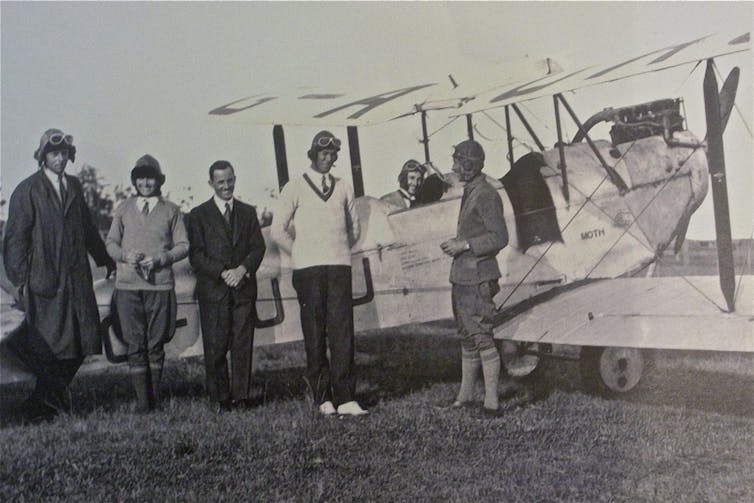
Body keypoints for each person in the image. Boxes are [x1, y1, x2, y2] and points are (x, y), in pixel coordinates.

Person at [2, 128, 115, 419]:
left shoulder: (75, 187)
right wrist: (20, 281)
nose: (60, 159)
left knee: (82, 342)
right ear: (43, 156)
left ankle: (43, 401)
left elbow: (88, 229)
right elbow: (15, 239)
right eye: (54, 153)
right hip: (44, 282)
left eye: (64, 153)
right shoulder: (27, 190)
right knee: (48, 345)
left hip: (77, 280)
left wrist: (104, 258)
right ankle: (53, 404)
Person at [271, 130, 368, 417]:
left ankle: (346, 397)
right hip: (307, 272)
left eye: (332, 155)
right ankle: (322, 397)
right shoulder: (294, 188)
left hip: (338, 268)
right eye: (323, 154)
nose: (327, 159)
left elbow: (354, 228)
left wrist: (337, 251)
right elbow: (278, 230)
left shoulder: (343, 187)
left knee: (342, 332)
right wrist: (301, 253)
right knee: (315, 333)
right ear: (313, 155)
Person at [106, 154, 189, 412]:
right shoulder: (123, 208)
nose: (145, 183)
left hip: (160, 286)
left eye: (150, 177)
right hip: (128, 288)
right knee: (135, 343)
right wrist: (124, 256)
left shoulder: (171, 210)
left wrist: (161, 259)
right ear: (135, 180)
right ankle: (143, 404)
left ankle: (155, 399)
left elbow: (184, 245)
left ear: (158, 180)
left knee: (155, 344)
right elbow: (110, 243)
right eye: (140, 177)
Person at [188, 161, 266, 412]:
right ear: (210, 183)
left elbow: (258, 247)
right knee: (216, 346)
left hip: (243, 289)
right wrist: (223, 273)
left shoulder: (247, 211)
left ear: (235, 178)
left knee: (243, 344)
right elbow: (196, 255)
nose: (226, 186)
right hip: (214, 292)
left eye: (230, 180)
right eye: (220, 182)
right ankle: (220, 399)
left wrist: (242, 270)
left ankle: (241, 397)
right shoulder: (198, 215)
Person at [440, 140, 509, 415]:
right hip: (464, 276)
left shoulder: (486, 194)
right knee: (468, 336)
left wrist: (464, 245)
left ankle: (491, 404)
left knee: (481, 336)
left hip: (478, 277)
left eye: (458, 161)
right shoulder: (472, 190)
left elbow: (500, 237)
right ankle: (465, 398)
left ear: (470, 164)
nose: (454, 167)